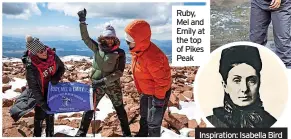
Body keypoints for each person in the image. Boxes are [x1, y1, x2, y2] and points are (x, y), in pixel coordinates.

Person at [75, 9, 131, 137]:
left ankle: (127, 134)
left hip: (112, 85)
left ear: (115, 38)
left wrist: (103, 81)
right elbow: (85, 38)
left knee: (119, 109)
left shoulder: (120, 52)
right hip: (96, 84)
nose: (110, 40)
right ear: (103, 37)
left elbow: (119, 72)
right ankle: (81, 132)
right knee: (89, 108)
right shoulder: (97, 47)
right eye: (107, 37)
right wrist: (82, 21)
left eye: (112, 37)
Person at [207, 45, 277, 128]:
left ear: (259, 83)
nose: (244, 89)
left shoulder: (273, 123)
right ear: (225, 85)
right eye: (237, 81)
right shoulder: (210, 123)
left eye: (251, 81)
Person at [10, 35, 65, 137]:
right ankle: (37, 135)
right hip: (39, 93)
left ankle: (50, 135)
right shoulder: (31, 67)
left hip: (52, 92)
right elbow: (34, 88)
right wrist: (42, 103)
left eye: (44, 49)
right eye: (40, 51)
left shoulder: (52, 55)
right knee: (40, 116)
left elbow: (62, 68)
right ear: (35, 54)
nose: (44, 52)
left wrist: (56, 77)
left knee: (50, 116)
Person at [124, 19, 172, 137]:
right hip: (146, 91)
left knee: (153, 122)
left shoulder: (152, 57)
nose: (127, 44)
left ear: (139, 40)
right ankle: (143, 134)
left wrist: (158, 101)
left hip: (157, 94)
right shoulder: (139, 50)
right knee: (144, 115)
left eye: (129, 41)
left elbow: (163, 81)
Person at [250, 0, 291, 68]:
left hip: (282, 4)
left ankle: (286, 69)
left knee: (283, 42)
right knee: (256, 39)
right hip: (258, 3)